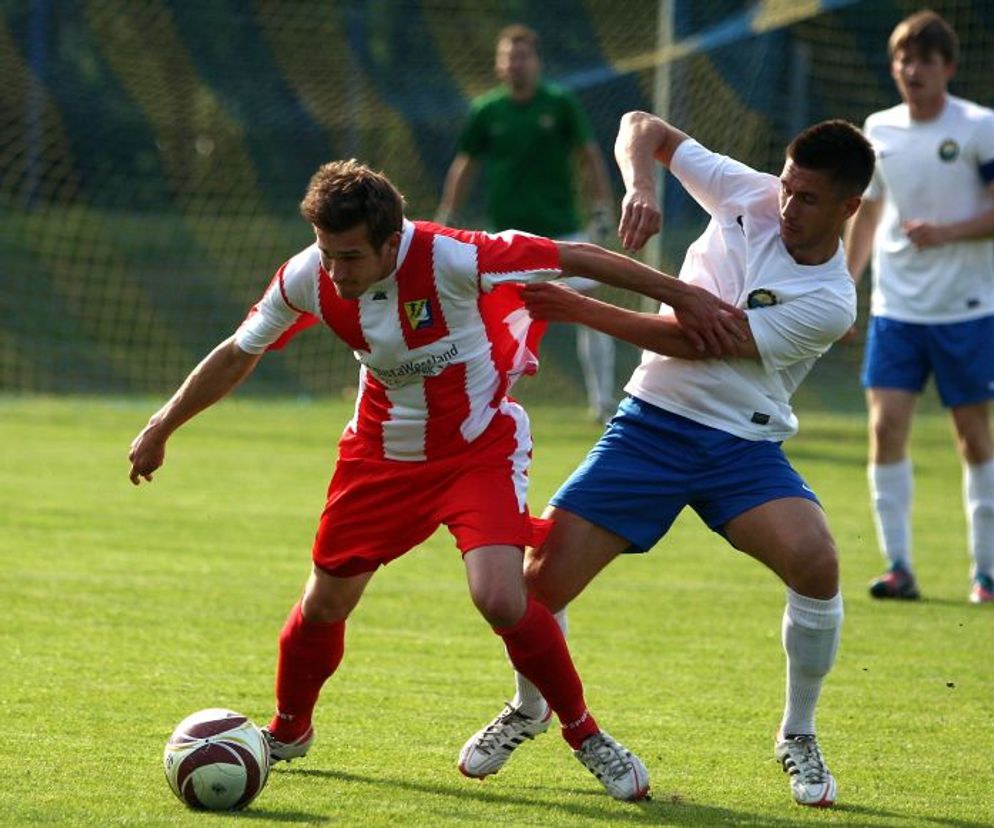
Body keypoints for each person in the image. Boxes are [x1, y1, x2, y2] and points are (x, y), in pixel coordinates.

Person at [127, 159, 743, 802]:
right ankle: (287, 730)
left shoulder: (454, 258)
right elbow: (238, 351)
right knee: (324, 604)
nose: (335, 272)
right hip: (379, 456)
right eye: (325, 251)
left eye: (350, 256)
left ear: (392, 241)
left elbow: (577, 256)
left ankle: (584, 733)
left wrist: (683, 295)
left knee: (500, 597)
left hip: (478, 449)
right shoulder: (308, 276)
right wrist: (162, 425)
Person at [455, 111, 876, 809]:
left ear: (849, 207)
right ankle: (531, 708)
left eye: (808, 198)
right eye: (787, 187)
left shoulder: (831, 300)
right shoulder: (751, 194)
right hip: (651, 426)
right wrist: (641, 186)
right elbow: (640, 125)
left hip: (741, 445)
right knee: (535, 586)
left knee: (818, 561)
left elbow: (702, 339)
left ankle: (797, 733)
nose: (787, 205)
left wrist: (579, 309)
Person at [844, 9, 994, 604]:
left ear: (947, 67)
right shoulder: (878, 128)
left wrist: (947, 232)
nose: (912, 69)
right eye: (903, 58)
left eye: (924, 59)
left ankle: (985, 575)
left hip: (966, 309)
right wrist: (846, 287)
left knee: (973, 437)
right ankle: (898, 566)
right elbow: (868, 214)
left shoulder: (980, 126)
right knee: (885, 428)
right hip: (896, 311)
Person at [436, 23, 619, 424]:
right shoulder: (486, 110)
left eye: (523, 56)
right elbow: (465, 164)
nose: (516, 64)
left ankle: (604, 403)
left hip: (564, 232)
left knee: (593, 314)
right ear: (499, 65)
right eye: (508, 57)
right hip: (508, 242)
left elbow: (589, 154)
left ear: (536, 62)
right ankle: (487, 403)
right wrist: (449, 214)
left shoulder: (560, 103)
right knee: (491, 323)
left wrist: (602, 206)